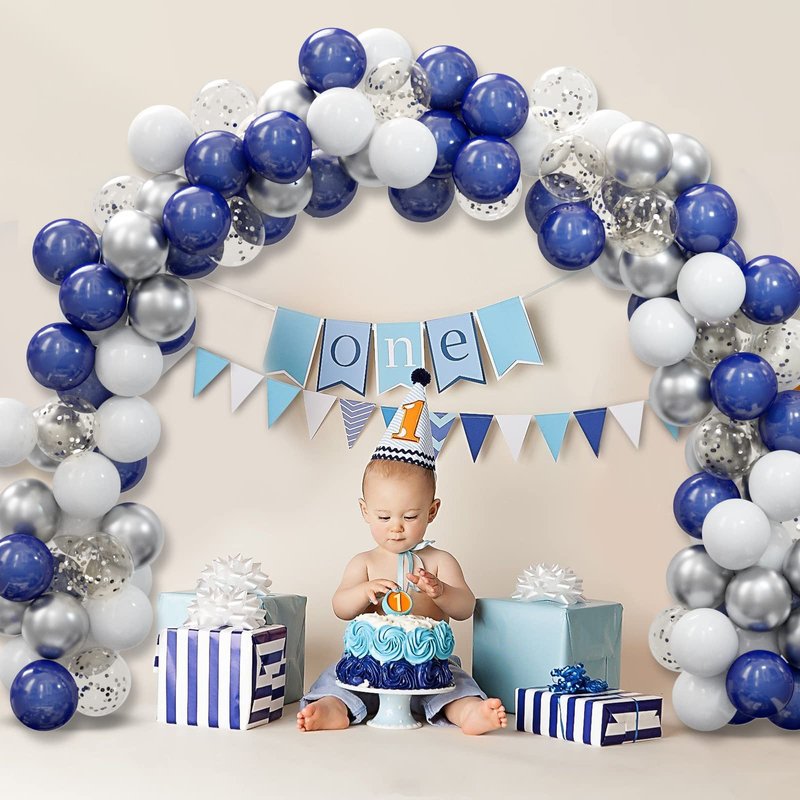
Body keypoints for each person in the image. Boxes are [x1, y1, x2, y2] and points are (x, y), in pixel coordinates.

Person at [297, 369, 507, 734]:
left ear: (432, 511)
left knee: (458, 684)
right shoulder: (364, 563)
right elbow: (340, 607)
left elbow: (465, 608)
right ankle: (332, 710)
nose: (396, 527)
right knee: (336, 680)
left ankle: (470, 714)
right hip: (370, 670)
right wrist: (363, 592)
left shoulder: (440, 562)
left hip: (429, 670)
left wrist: (441, 591)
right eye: (384, 516)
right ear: (365, 511)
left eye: (410, 517)